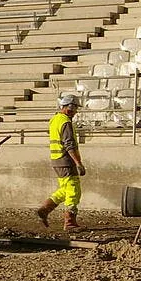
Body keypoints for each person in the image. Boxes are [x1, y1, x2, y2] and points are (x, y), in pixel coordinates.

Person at [36, 93, 87, 231]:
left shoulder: (55, 120)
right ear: (69, 107)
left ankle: (45, 209)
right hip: (66, 161)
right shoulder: (65, 122)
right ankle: (69, 222)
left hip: (57, 160)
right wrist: (78, 163)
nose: (76, 112)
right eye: (75, 108)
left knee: (65, 189)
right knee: (73, 191)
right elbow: (69, 144)